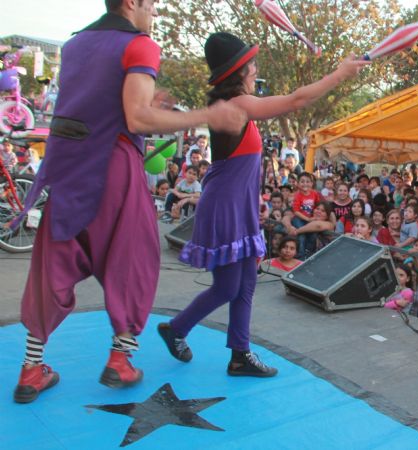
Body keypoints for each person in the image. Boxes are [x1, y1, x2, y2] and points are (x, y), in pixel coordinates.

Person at [11, 0, 246, 404]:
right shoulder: (139, 45)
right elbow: (137, 118)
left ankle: (32, 368)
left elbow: (97, 107)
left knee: (52, 264)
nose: (153, 14)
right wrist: (207, 115)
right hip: (112, 166)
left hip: (67, 166)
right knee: (133, 258)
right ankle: (120, 360)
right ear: (132, 3)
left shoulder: (75, 44)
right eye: (152, 5)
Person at [158, 32, 368, 377]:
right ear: (237, 72)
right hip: (225, 208)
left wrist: (254, 199)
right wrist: (340, 73)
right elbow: (297, 100)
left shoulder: (239, 106)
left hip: (238, 205)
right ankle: (178, 329)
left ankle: (238, 353)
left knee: (246, 282)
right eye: (250, 64)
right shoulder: (239, 106)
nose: (255, 69)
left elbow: (242, 165)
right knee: (228, 286)